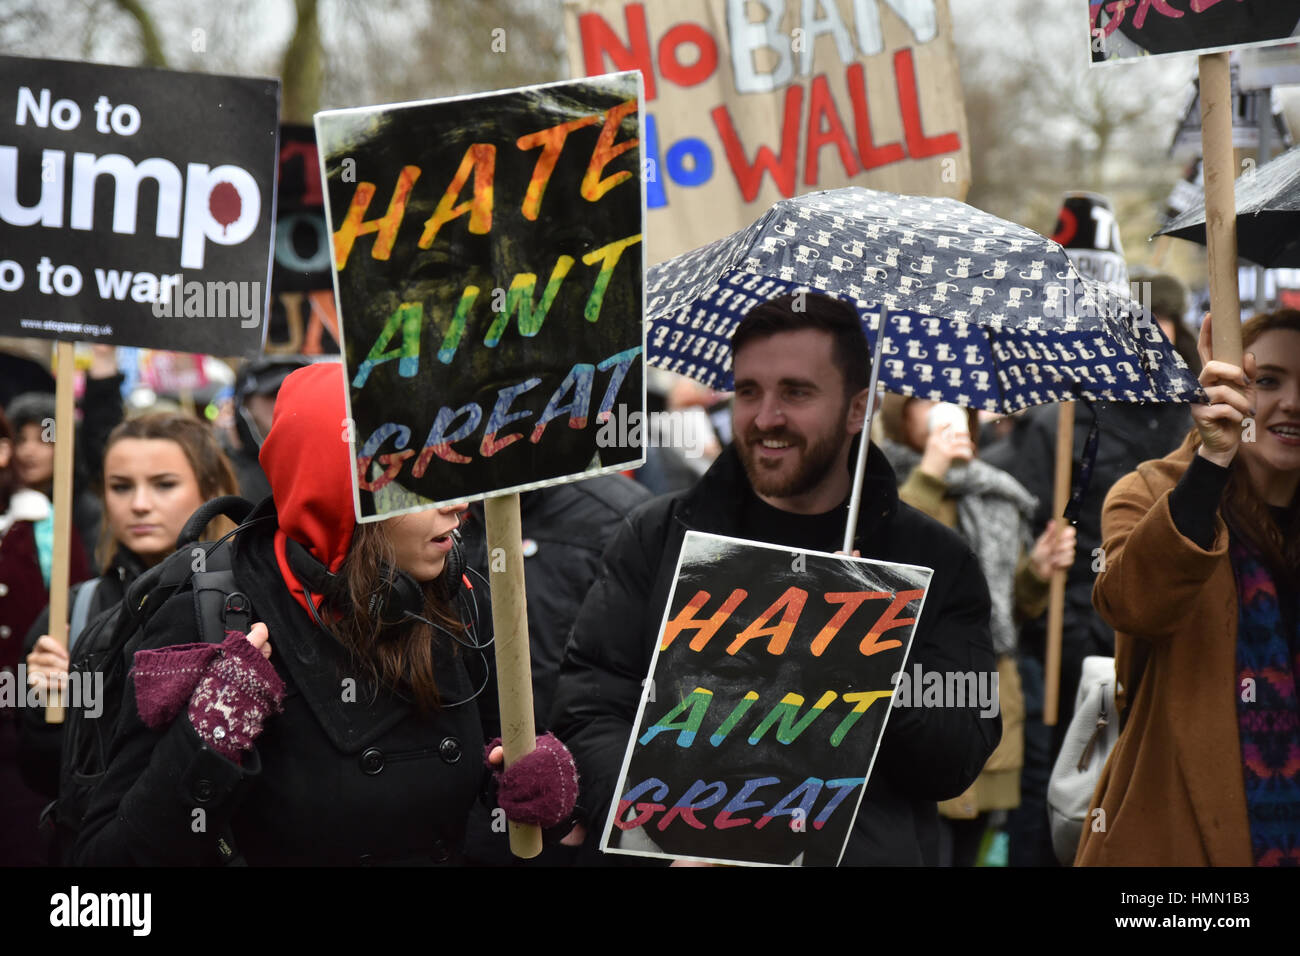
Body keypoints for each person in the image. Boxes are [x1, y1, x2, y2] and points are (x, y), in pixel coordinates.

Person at [551, 292, 1000, 865]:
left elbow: (956, 757)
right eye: (747, 392)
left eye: (796, 392)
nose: (766, 418)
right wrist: (661, 824)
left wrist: (871, 645)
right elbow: (591, 705)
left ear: (859, 408)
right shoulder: (658, 535)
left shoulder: (936, 558)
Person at [72, 362, 578, 865]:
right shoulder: (208, 614)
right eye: (426, 482)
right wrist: (211, 734)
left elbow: (488, 800)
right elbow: (105, 859)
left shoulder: (459, 595)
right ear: (341, 494)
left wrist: (533, 800)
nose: (459, 506)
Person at [995, 270, 1204, 866]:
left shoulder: (1194, 414)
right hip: (1070, 633)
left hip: (1162, 632)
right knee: (1057, 783)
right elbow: (1024, 514)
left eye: (1158, 335)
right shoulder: (1062, 418)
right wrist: (1041, 552)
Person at [1078, 309, 1300, 866]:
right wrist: (1213, 460)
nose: (1292, 403)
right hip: (1176, 846)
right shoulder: (1150, 491)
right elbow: (1131, 604)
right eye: (1268, 381)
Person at [20, 412, 242, 849]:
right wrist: (49, 711)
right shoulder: (72, 613)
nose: (139, 503)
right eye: (120, 486)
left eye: (164, 484)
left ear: (210, 490)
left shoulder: (250, 601)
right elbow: (47, 779)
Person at [877, 394, 1075, 865]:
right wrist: (931, 472)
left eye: (954, 402)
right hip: (910, 701)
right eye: (926, 401)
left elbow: (1005, 613)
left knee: (970, 851)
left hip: (984, 696)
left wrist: (1038, 573)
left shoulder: (995, 492)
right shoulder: (880, 488)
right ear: (898, 415)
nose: (946, 411)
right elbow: (895, 570)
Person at [0, 409, 90, 865]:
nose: (31, 449)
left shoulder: (48, 524)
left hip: (25, 720)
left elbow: (78, 612)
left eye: (45, 438)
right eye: (24, 438)